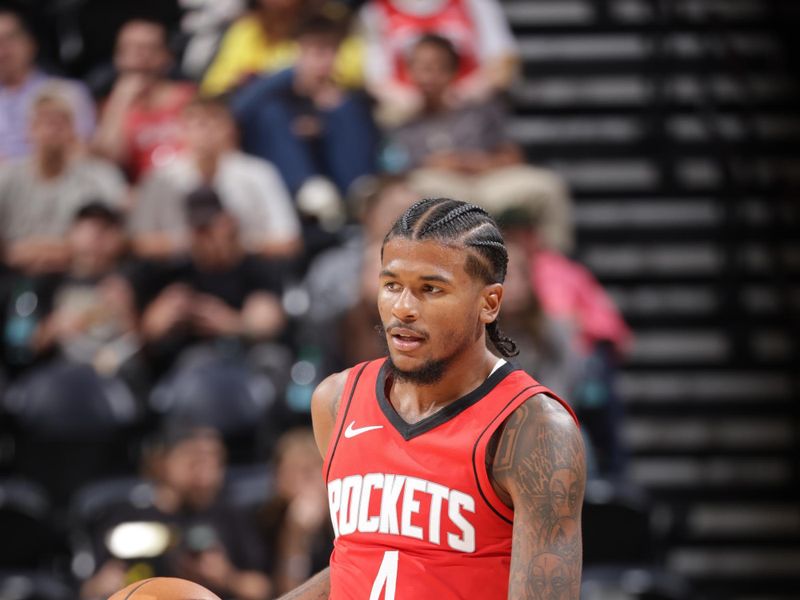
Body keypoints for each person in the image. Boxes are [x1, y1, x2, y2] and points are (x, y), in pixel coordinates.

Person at [281, 197, 585, 598]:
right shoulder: (336, 401)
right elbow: (363, 563)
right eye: (392, 285)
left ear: (489, 303)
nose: (403, 308)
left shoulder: (534, 429)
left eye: (430, 289)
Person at [386, 35, 574, 254]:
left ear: (453, 71)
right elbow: (397, 172)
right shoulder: (400, 125)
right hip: (440, 190)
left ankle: (555, 266)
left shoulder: (479, 110)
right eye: (423, 68)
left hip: (490, 184)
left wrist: (466, 163)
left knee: (549, 185)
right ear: (409, 72)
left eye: (438, 67)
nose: (430, 76)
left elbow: (512, 155)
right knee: (411, 190)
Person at [80, 425, 272, 600]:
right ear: (161, 462)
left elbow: (264, 589)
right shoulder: (127, 516)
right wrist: (109, 587)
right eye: (195, 460)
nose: (206, 474)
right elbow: (89, 589)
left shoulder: (232, 516)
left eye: (215, 461)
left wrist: (228, 577)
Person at [230, 13, 377, 228]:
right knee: (271, 112)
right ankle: (309, 189)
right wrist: (291, 74)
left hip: (337, 177)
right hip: (288, 180)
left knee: (345, 107)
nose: (323, 61)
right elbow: (236, 111)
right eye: (316, 52)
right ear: (298, 51)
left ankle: (360, 192)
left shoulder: (343, 97)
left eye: (330, 52)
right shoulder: (274, 90)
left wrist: (326, 119)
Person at [131, 97, 301, 260]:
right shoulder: (160, 178)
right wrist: (193, 242)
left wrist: (240, 243)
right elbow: (139, 242)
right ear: (181, 130)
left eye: (214, 122)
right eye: (197, 124)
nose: (205, 132)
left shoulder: (258, 172)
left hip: (249, 267)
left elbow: (289, 241)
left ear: (231, 128)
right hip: (179, 270)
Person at [0, 90, 126, 274]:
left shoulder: (98, 175)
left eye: (60, 124)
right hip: (9, 269)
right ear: (29, 130)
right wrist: (10, 253)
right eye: (44, 123)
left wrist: (63, 252)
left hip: (75, 272)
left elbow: (115, 232)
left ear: (73, 131)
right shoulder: (7, 176)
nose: (51, 131)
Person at [359, 0, 519, 124]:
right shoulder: (376, 10)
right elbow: (374, 79)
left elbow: (504, 63)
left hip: (470, 116)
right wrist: (417, 101)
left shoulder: (475, 4)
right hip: (408, 121)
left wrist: (457, 96)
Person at [92, 18, 195, 181]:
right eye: (130, 48)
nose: (140, 55)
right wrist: (121, 100)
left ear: (166, 56)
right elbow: (107, 160)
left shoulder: (188, 97)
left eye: (149, 48)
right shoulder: (111, 107)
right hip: (140, 192)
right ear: (118, 57)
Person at [201, 0, 363, 97]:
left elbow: (354, 68)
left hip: (317, 103)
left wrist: (314, 76)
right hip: (260, 108)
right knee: (271, 108)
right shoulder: (248, 28)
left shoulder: (330, 20)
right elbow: (215, 85)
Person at [0, 8, 96, 162]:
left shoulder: (67, 92)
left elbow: (82, 149)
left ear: (31, 44)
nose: (3, 51)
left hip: (52, 178)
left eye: (10, 39)